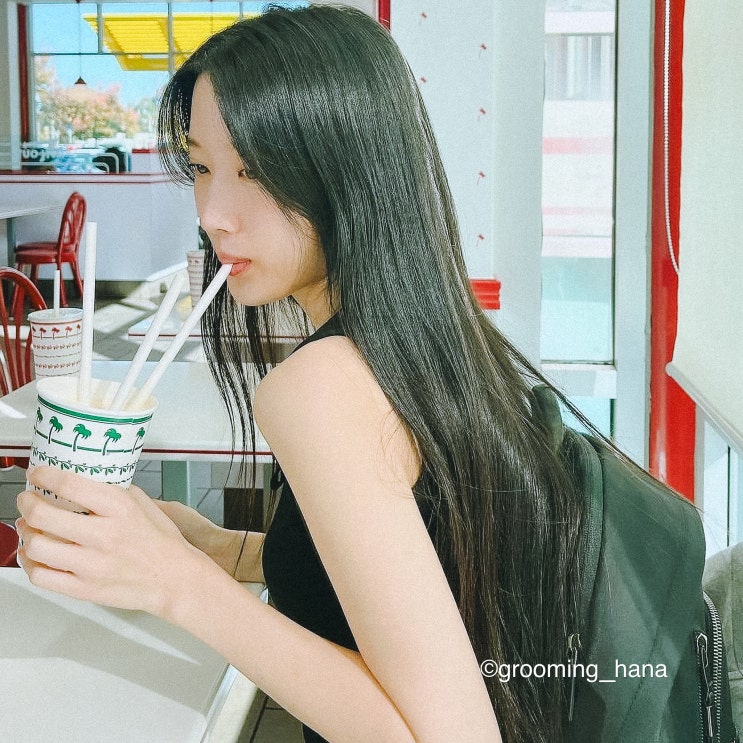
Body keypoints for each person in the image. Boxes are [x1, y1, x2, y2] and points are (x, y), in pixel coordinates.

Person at [16, 6, 583, 742]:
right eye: (202, 167)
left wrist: (174, 583)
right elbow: (418, 574)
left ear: (345, 170)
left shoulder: (323, 387)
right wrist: (215, 548)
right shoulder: (426, 338)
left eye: (254, 170)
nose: (213, 214)